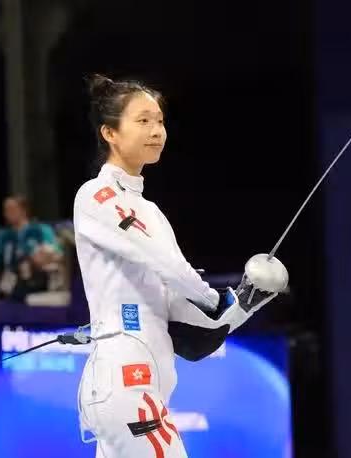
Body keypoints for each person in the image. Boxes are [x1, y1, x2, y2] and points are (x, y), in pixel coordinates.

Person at [74, 74, 288, 458]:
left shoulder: (151, 213)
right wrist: (214, 299)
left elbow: (178, 306)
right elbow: (167, 265)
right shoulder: (96, 195)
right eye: (143, 121)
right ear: (110, 132)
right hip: (125, 380)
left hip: (146, 384)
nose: (156, 130)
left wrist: (244, 302)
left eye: (159, 121)